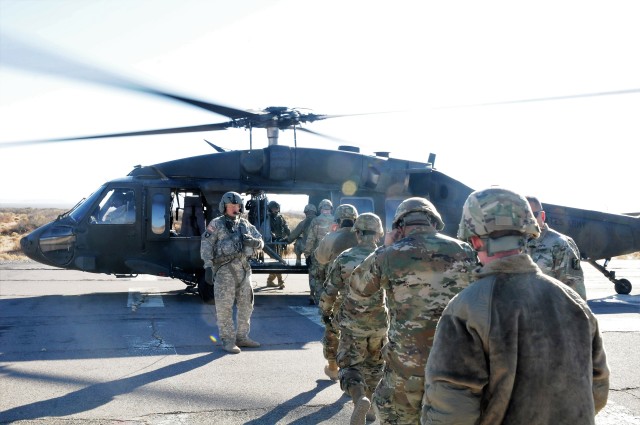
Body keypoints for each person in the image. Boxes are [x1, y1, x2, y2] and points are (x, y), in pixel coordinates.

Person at [421, 187, 609, 425]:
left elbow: (452, 409)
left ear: (475, 239)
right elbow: (598, 390)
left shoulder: (466, 308)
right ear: (528, 233)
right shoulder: (574, 301)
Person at [350, 197, 477, 425]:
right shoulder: (464, 250)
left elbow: (358, 286)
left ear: (400, 227)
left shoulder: (389, 254)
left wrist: (387, 247)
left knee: (395, 416)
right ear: (435, 223)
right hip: (454, 363)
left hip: (406, 366)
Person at [320, 212, 388, 425]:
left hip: (351, 322)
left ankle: (360, 399)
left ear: (357, 233)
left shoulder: (346, 257)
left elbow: (330, 289)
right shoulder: (386, 257)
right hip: (380, 323)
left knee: (350, 366)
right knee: (376, 366)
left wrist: (326, 312)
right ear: (378, 233)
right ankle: (371, 409)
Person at [200, 191, 264, 354]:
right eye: (231, 206)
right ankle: (228, 340)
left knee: (246, 306)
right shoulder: (216, 224)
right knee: (224, 307)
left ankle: (242, 337)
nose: (234, 208)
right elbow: (206, 244)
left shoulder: (245, 224)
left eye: (237, 206)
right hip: (224, 272)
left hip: (244, 271)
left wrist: (253, 242)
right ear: (224, 207)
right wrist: (208, 266)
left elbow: (261, 242)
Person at [314, 203, 359, 381]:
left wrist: (330, 236)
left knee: (332, 329)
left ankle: (333, 367)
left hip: (337, 290)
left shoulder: (331, 237)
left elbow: (321, 258)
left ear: (338, 220)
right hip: (360, 292)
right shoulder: (362, 238)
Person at [526, 195, 587, 300]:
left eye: (533, 215)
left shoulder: (560, 244)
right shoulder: (513, 244)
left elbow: (575, 294)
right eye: (522, 216)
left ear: (543, 216)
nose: (528, 220)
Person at [303, 199, 334, 305]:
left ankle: (317, 300)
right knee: (331, 279)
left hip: (319, 256)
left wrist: (307, 255)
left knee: (317, 278)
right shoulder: (336, 221)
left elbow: (310, 239)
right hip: (332, 256)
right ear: (331, 209)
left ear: (320, 209)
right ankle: (330, 302)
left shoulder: (315, 221)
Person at [265, 200, 290, 289]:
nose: (275, 210)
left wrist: (290, 237)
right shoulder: (267, 218)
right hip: (271, 243)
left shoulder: (280, 217)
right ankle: (280, 281)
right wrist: (274, 237)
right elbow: (267, 230)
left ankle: (270, 281)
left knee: (277, 261)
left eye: (276, 208)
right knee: (278, 261)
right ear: (269, 209)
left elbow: (286, 227)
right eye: (273, 208)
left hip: (280, 242)